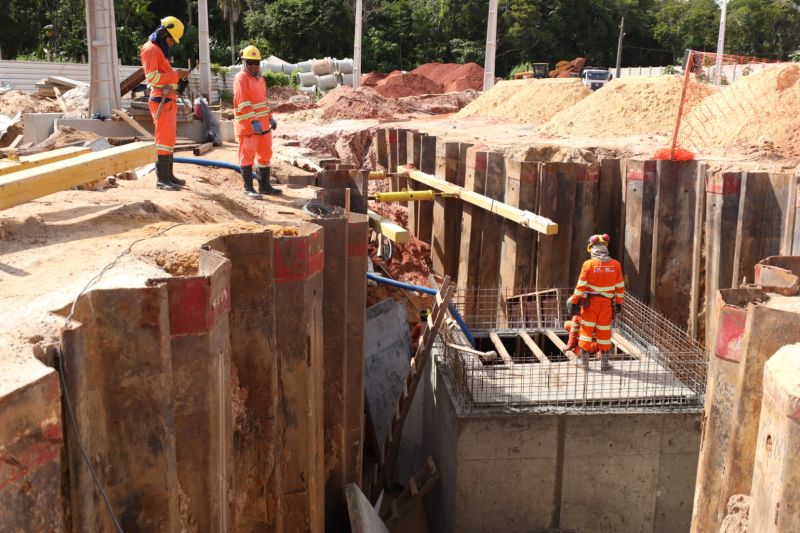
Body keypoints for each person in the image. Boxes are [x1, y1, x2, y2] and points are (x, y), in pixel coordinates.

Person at [140, 16, 190, 190]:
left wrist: (179, 82)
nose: (172, 43)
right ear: (163, 33)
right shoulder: (150, 50)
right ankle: (162, 179)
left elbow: (165, 78)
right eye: (171, 39)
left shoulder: (159, 51)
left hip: (168, 99)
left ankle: (169, 176)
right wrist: (176, 75)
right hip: (160, 100)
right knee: (162, 140)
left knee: (169, 140)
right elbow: (153, 78)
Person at [566, 233, 624, 371]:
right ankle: (604, 363)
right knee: (604, 333)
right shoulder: (616, 265)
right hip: (606, 305)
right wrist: (619, 302)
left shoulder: (588, 264)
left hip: (590, 304)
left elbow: (580, 286)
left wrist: (574, 301)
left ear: (592, 249)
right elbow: (620, 286)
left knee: (586, 331)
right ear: (605, 248)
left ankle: (585, 364)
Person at [233, 45, 281, 198]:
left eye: (256, 62)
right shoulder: (241, 78)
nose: (253, 66)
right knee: (247, 156)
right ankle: (248, 188)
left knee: (265, 155)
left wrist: (270, 117)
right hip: (248, 127)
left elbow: (263, 102)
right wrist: (253, 121)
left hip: (264, 127)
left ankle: (265, 186)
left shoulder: (260, 79)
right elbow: (244, 102)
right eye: (250, 62)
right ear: (244, 62)